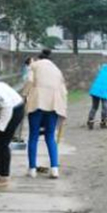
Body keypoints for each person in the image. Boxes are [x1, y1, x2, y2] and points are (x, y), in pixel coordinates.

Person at [23, 51, 68, 179]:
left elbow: (29, 80)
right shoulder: (57, 70)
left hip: (37, 102)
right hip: (54, 104)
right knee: (50, 136)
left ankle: (32, 169)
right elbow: (64, 91)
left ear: (39, 58)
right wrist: (64, 108)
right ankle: (54, 169)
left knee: (33, 136)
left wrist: (25, 94)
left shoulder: (34, 65)